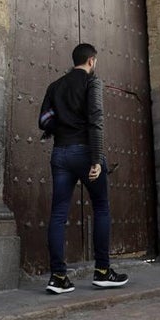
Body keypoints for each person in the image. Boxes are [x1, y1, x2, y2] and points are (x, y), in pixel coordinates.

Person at [41, 43, 129, 294]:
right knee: (101, 207)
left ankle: (58, 277)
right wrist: (96, 159)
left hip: (60, 153)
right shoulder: (92, 82)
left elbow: (43, 120)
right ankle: (102, 271)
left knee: (58, 214)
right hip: (86, 152)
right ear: (92, 61)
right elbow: (96, 119)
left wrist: (62, 127)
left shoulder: (55, 86)